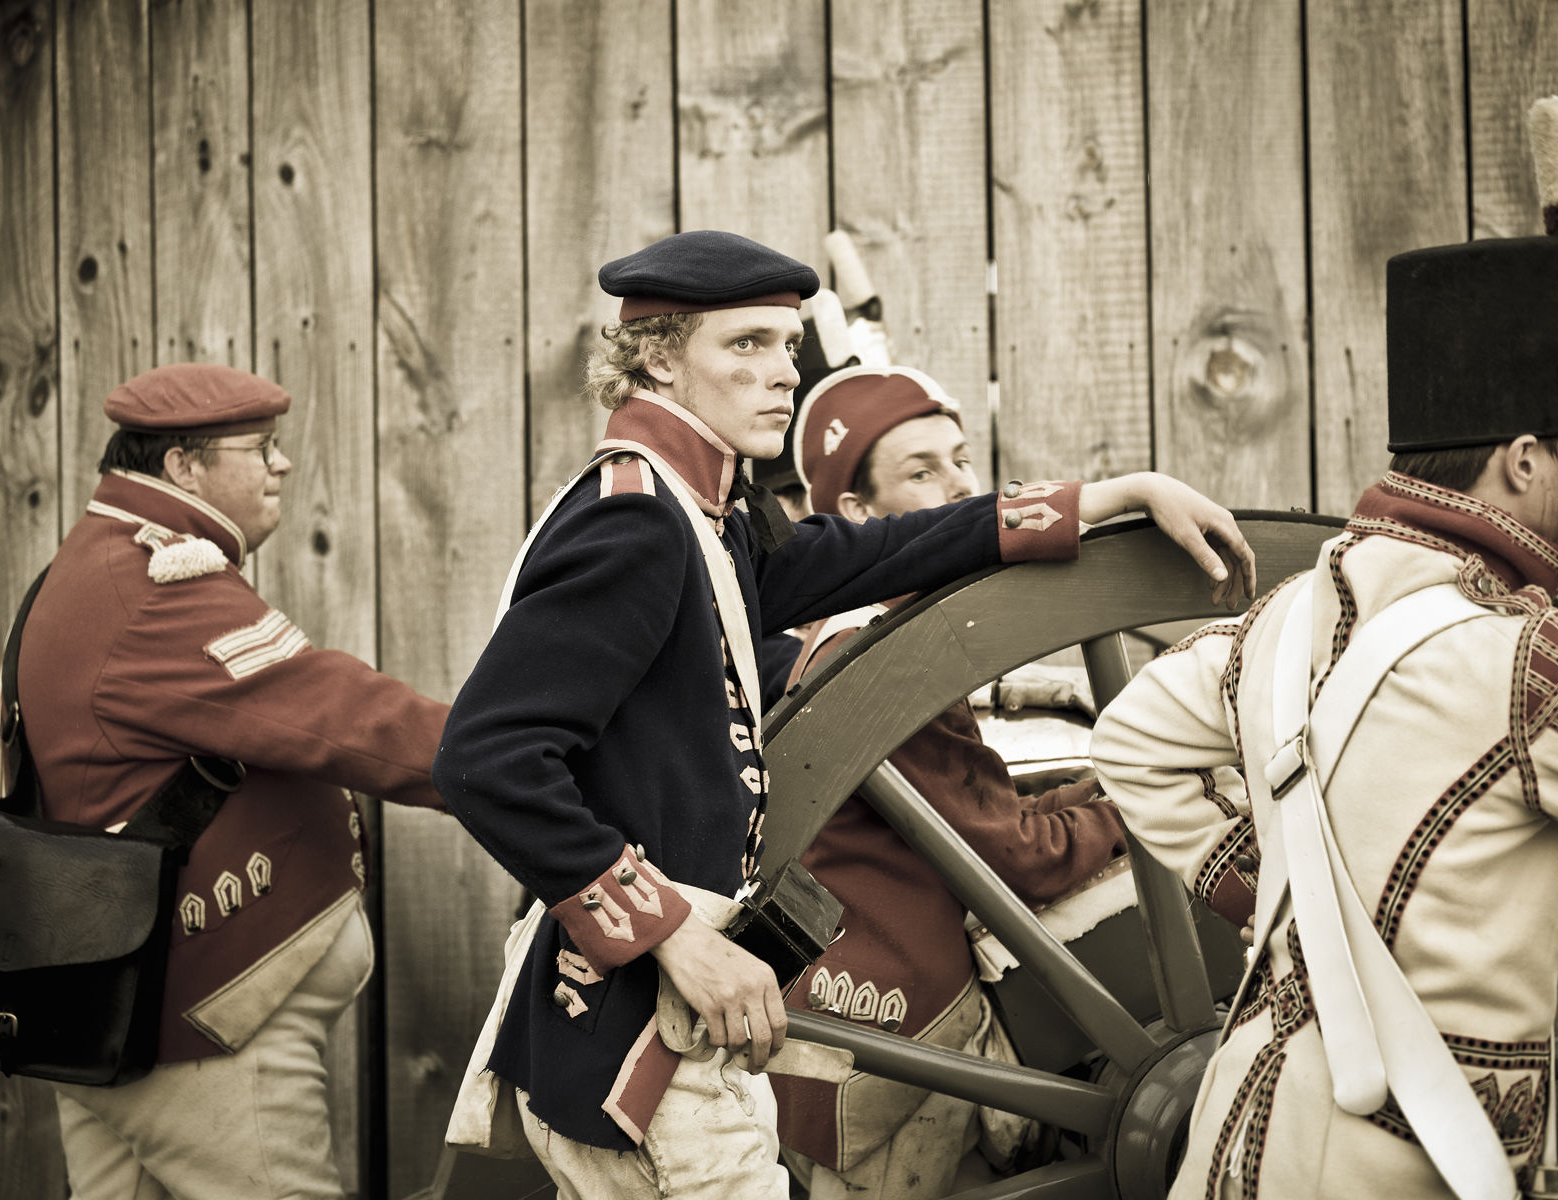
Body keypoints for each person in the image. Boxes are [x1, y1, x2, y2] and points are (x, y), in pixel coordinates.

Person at [431, 229, 1256, 1199]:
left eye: (787, 345)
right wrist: (678, 938)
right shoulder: (636, 522)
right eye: (746, 345)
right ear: (657, 359)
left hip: (681, 1017)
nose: (783, 373)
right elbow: (487, 758)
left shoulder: (698, 513)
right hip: (638, 1028)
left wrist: (1102, 498)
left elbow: (874, 554)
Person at [1091, 235, 1558, 1198]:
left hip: (1233, 1145)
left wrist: (1283, 896)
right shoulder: (1533, 664)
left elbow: (1131, 737)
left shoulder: (1289, 614)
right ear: (1524, 459)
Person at [17, 363, 453, 1200]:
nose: (281, 464)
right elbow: (339, 712)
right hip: (202, 1028)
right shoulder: (154, 588)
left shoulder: (105, 559)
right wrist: (507, 764)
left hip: (126, 1003)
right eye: (261, 447)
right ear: (183, 467)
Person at [774, 363, 1210, 1198]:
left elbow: (985, 818)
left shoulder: (860, 633)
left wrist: (1109, 789)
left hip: (841, 1006)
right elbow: (1023, 858)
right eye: (922, 471)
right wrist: (1139, 808)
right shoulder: (886, 666)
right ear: (857, 514)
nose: (959, 486)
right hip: (904, 1038)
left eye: (962, 459)